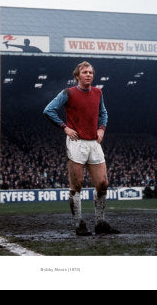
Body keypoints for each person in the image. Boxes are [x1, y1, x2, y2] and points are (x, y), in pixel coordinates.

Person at [44, 61, 120, 236]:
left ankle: (100, 222)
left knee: (102, 183)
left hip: (94, 142)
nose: (88, 75)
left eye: (91, 72)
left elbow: (104, 113)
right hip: (76, 143)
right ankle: (79, 224)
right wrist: (65, 127)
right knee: (77, 184)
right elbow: (49, 110)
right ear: (77, 76)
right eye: (85, 72)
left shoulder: (98, 92)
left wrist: (102, 128)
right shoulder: (68, 93)